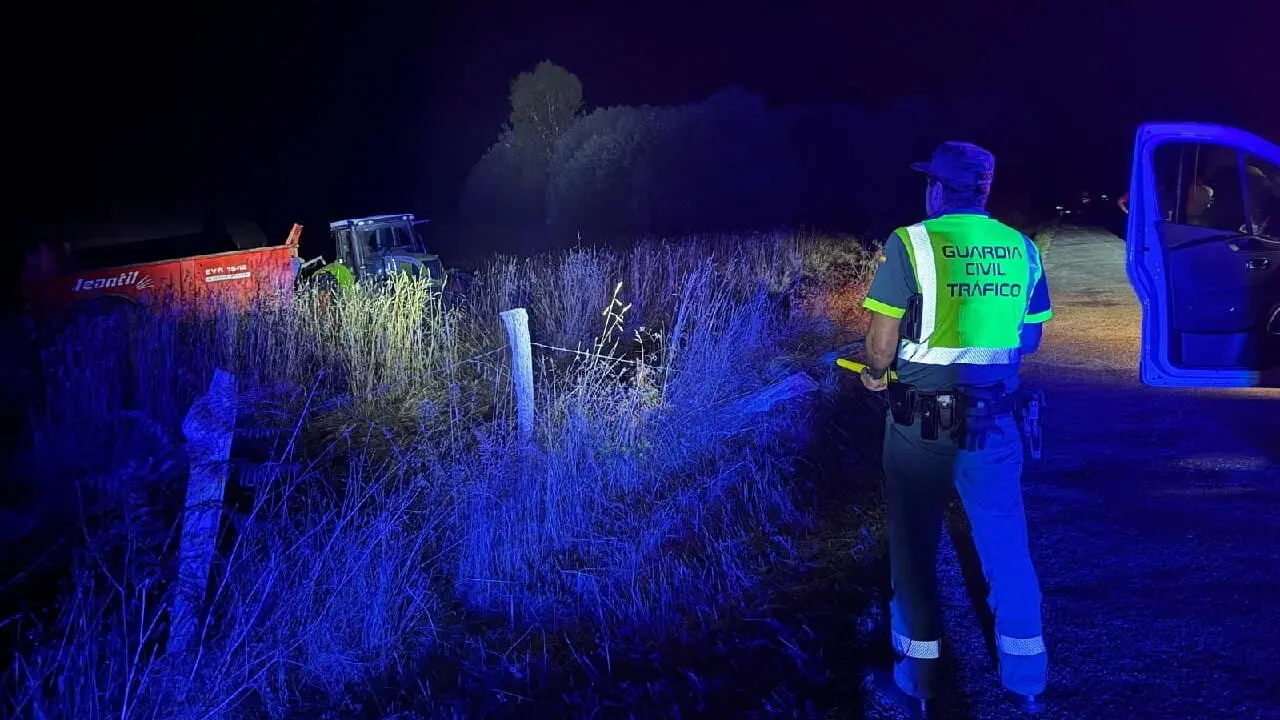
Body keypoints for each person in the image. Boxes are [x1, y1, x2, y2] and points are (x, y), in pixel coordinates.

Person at [858, 141, 1053, 717]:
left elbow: (881, 341)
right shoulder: (1021, 248)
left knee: (915, 550)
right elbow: (1031, 338)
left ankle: (918, 683)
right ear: (984, 190)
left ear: (938, 189)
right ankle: (1028, 680)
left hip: (920, 421)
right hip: (994, 420)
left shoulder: (911, 243)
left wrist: (874, 376)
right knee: (1007, 544)